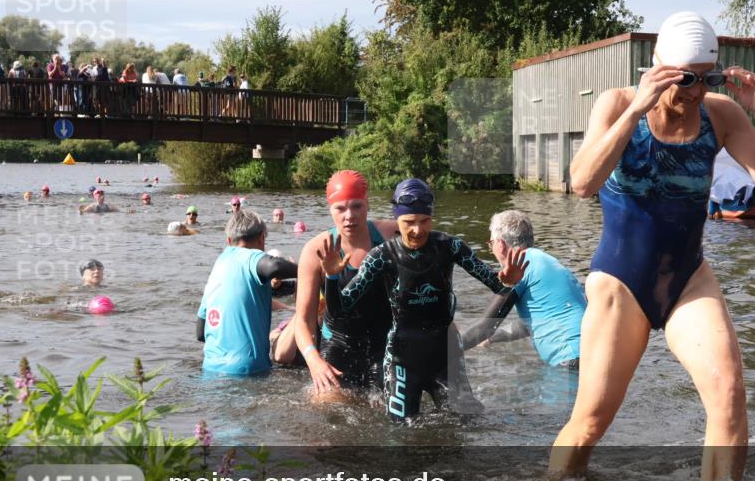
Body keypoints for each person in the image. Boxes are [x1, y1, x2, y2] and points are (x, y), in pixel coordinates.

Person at [548, 12, 755, 481]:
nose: (693, 92)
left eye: (705, 79)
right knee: (591, 422)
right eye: (684, 79)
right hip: (621, 280)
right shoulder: (618, 103)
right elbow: (581, 182)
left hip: (687, 279)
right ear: (657, 67)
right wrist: (635, 109)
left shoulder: (720, 114)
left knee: (728, 393)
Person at [319, 178, 528, 420]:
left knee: (467, 422)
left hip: (445, 355)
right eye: (409, 222)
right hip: (402, 357)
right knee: (401, 433)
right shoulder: (381, 256)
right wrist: (332, 278)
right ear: (397, 220)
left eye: (424, 221)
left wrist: (509, 281)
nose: (417, 230)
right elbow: (340, 309)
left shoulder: (450, 247)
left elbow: (497, 286)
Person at [286, 171, 398, 389]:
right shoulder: (315, 251)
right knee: (328, 411)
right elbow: (303, 320)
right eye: (340, 208)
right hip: (337, 347)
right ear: (330, 210)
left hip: (385, 345)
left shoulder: (391, 235)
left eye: (357, 206)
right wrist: (313, 360)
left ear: (367, 204)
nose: (349, 216)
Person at [461, 210, 585, 369]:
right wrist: (491, 339)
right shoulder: (547, 261)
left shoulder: (519, 267)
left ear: (500, 244)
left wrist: (444, 349)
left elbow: (485, 327)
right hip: (593, 353)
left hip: (571, 361)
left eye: (491, 243)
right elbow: (529, 324)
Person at [196, 209, 299, 376]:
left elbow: (200, 334)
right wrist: (307, 270)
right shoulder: (251, 256)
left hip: (210, 368)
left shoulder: (218, 267)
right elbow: (275, 266)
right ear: (262, 238)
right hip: (249, 369)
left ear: (228, 240)